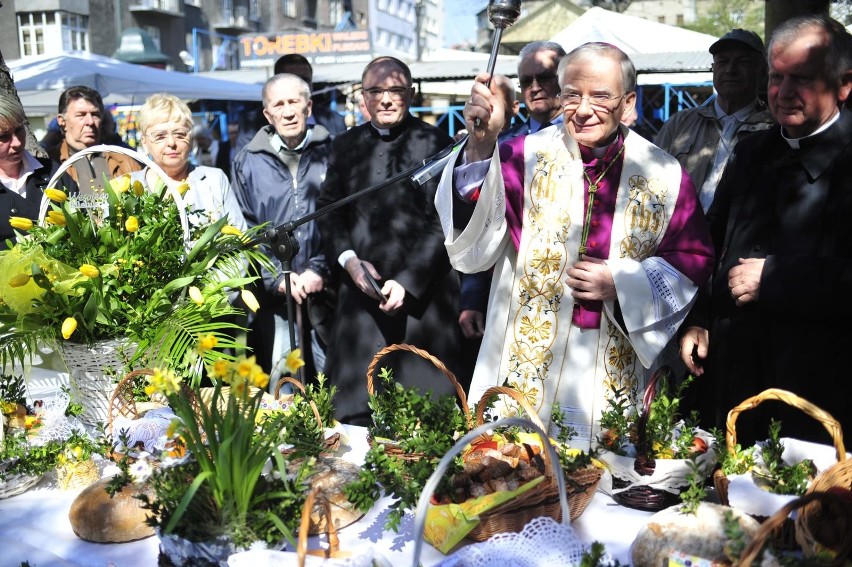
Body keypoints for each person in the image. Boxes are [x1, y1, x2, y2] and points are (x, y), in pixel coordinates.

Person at [436, 42, 714, 447]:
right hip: (523, 364)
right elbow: (474, 240)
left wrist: (621, 281)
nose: (583, 110)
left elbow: (691, 259)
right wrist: (480, 145)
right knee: (509, 476)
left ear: (630, 104)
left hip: (610, 367)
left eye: (600, 96)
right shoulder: (521, 157)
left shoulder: (664, 175)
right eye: (571, 94)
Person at [679, 15, 852, 445]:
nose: (783, 92)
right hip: (734, 376)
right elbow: (710, 239)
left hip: (819, 388)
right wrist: (698, 319)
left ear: (844, 84)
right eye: (776, 77)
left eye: (802, 78)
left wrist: (774, 279)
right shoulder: (754, 149)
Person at [317, 56, 461, 426]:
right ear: (362, 97)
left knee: (425, 418)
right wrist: (349, 260)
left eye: (395, 90)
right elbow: (330, 210)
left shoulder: (438, 142)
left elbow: (444, 220)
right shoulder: (344, 146)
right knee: (353, 417)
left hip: (424, 298)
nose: (385, 98)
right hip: (361, 291)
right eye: (375, 91)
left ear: (410, 93)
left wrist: (409, 281)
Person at [231, 74, 333, 387]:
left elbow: (343, 217)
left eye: (294, 102)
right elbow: (245, 228)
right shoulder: (247, 161)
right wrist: (278, 276)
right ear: (268, 114)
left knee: (332, 382)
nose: (287, 111)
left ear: (308, 106)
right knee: (283, 380)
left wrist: (319, 269)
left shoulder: (334, 151)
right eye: (279, 104)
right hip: (276, 295)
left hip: (327, 290)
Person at [656, 29, 774, 212]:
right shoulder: (680, 123)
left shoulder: (772, 130)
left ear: (761, 71)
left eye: (742, 62)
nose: (730, 70)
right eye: (722, 62)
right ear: (713, 69)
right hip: (680, 237)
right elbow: (651, 180)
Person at [132, 93, 246, 232]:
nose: (171, 143)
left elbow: (241, 241)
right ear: (144, 143)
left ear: (191, 140)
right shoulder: (128, 187)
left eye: (180, 134)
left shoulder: (215, 180)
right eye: (160, 136)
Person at [0, 94, 73, 249]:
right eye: (4, 136)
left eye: (19, 130)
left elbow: (82, 221)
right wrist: (22, 243)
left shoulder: (53, 172)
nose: (17, 142)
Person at [42, 86, 140, 193]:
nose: (90, 122)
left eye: (95, 115)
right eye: (81, 115)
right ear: (62, 121)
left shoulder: (125, 160)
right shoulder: (49, 163)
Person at [501, 41, 567, 140]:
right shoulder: (503, 145)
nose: (535, 88)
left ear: (565, 80)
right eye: (526, 81)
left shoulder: (588, 135)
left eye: (544, 78)